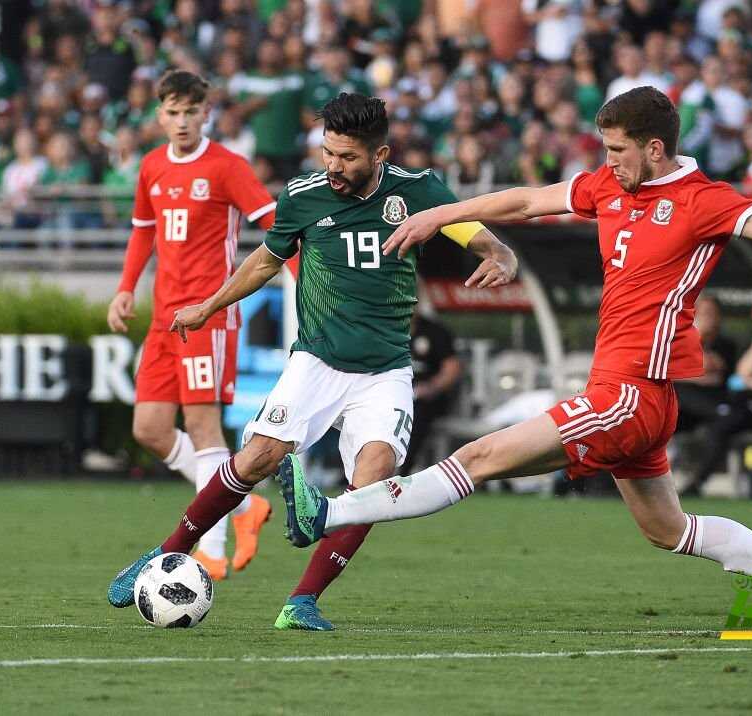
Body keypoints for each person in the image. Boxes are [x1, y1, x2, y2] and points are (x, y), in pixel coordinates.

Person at [278, 87, 752, 621]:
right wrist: (438, 215)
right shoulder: (608, 186)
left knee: (477, 458)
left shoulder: (703, 201)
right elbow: (527, 199)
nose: (609, 160)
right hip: (629, 397)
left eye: (618, 149)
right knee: (669, 531)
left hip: (631, 394)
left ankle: (329, 512)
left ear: (655, 148)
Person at [107, 93, 519, 631]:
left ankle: (302, 601)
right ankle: (166, 552)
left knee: (375, 480)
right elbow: (265, 261)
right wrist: (209, 306)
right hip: (317, 360)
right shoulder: (304, 195)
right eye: (327, 153)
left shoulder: (418, 191)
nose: (334, 166)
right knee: (258, 457)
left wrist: (500, 253)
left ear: (379, 155)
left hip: (386, 370)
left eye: (347, 157)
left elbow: (472, 229)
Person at [106, 70, 278, 581]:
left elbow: (276, 225)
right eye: (173, 112)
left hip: (207, 315)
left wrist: (304, 279)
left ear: (206, 113)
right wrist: (125, 288)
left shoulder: (227, 166)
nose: (181, 122)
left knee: (203, 427)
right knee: (150, 428)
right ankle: (244, 506)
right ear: (160, 115)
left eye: (190, 112)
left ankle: (211, 548)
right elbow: (143, 232)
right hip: (164, 318)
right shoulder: (152, 166)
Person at [681, 298, 752, 497]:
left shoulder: (731, 345)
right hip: (703, 406)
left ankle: (696, 484)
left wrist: (750, 380)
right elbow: (742, 373)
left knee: (720, 424)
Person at [402, 310, 463, 474]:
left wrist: (431, 387)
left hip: (428, 398)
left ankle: (402, 469)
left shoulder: (435, 331)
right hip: (394, 394)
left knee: (417, 413)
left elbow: (452, 369)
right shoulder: (385, 330)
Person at [674, 294, 736, 433]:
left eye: (712, 313)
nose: (708, 318)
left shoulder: (726, 344)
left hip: (714, 398)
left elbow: (715, 372)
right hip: (683, 403)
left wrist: (684, 374)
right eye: (703, 313)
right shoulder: (679, 341)